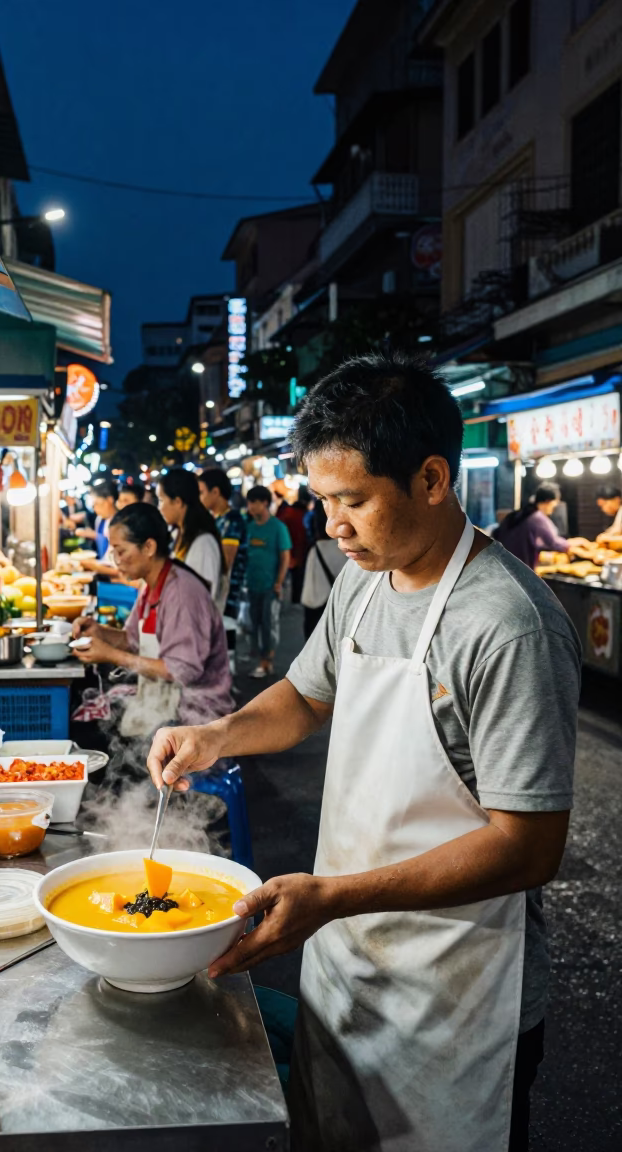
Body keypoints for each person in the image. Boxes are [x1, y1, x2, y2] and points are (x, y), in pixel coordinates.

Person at [146, 353, 580, 1152]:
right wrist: (217, 735)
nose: (333, 526)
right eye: (322, 501)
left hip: (459, 994)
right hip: (347, 957)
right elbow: (309, 696)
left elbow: (529, 847)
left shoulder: (506, 626)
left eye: (354, 501)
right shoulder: (365, 578)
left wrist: (336, 897)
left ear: (432, 479)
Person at [72, 503, 232, 734]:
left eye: (120, 551)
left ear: (148, 547)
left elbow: (181, 670)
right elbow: (132, 640)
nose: (115, 560)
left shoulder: (182, 592)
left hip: (196, 720)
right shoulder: (152, 586)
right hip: (163, 709)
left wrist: (111, 655)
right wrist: (98, 632)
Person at [157, 469, 226, 608]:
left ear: (177, 502)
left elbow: (200, 600)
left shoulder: (203, 544)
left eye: (161, 500)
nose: (159, 508)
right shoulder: (177, 535)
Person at [244, 485, 291, 678]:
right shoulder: (248, 527)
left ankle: (266, 662)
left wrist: (278, 582)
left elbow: (285, 556)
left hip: (270, 585)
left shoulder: (278, 528)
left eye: (254, 502)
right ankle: (260, 658)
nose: (250, 507)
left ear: (265, 503)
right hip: (251, 585)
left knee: (268, 623)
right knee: (252, 623)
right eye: (249, 502)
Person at [495, 483, 587, 570]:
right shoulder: (537, 518)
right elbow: (554, 543)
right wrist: (578, 542)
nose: (554, 509)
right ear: (548, 501)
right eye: (554, 504)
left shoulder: (520, 514)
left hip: (505, 566)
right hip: (520, 569)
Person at [198, 468, 247, 619]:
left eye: (202, 492)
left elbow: (225, 561)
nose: (199, 497)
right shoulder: (215, 519)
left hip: (227, 601)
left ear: (215, 492)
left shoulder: (232, 520)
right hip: (215, 599)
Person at [301, 499, 347, 638]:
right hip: (344, 613)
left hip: (318, 612)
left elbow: (309, 595)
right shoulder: (351, 551)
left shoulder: (316, 550)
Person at [277, 492, 310, 603]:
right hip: (298, 554)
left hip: (284, 552)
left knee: (282, 576)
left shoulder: (286, 513)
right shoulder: (305, 515)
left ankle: (281, 598)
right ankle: (295, 600)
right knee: (297, 580)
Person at [72, 480, 118, 559]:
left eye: (97, 503)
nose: (95, 509)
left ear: (110, 500)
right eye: (93, 505)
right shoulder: (99, 519)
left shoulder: (119, 522)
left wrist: (94, 535)